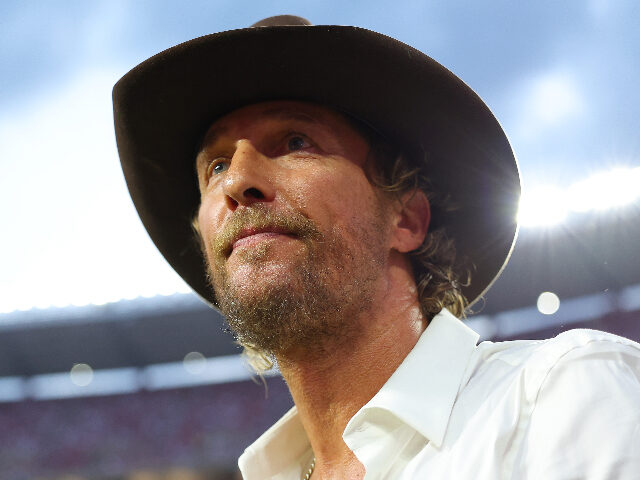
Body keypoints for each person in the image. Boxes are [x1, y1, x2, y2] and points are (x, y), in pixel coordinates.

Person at [113, 16, 640, 480]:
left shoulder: (558, 398)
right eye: (217, 166)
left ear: (406, 220)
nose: (236, 182)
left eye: (296, 142)